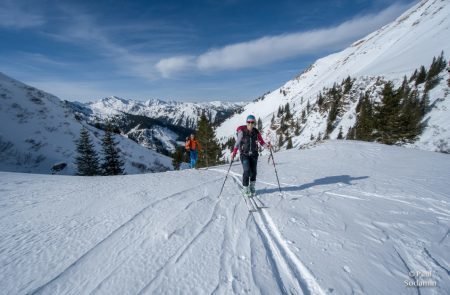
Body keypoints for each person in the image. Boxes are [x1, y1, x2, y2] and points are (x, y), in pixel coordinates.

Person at [231, 115, 271, 197]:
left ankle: (252, 187)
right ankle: (245, 188)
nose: (250, 124)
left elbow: (262, 142)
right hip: (244, 154)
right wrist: (234, 153)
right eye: (248, 122)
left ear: (254, 123)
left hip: (254, 155)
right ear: (246, 122)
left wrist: (267, 147)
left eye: (252, 122)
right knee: (247, 171)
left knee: (254, 172)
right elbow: (237, 143)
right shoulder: (241, 132)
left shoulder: (256, 132)